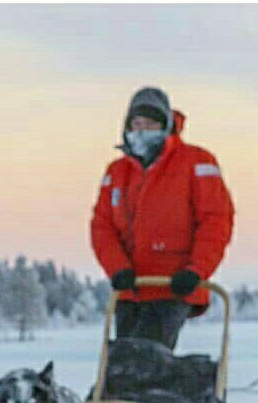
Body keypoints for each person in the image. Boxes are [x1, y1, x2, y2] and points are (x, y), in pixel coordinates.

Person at [91, 86, 235, 351]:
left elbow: (216, 221)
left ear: (165, 125)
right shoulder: (117, 172)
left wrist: (197, 270)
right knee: (121, 363)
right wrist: (117, 268)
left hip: (174, 285)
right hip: (130, 286)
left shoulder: (196, 163)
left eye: (150, 123)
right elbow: (102, 226)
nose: (142, 130)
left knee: (147, 358)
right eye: (136, 123)